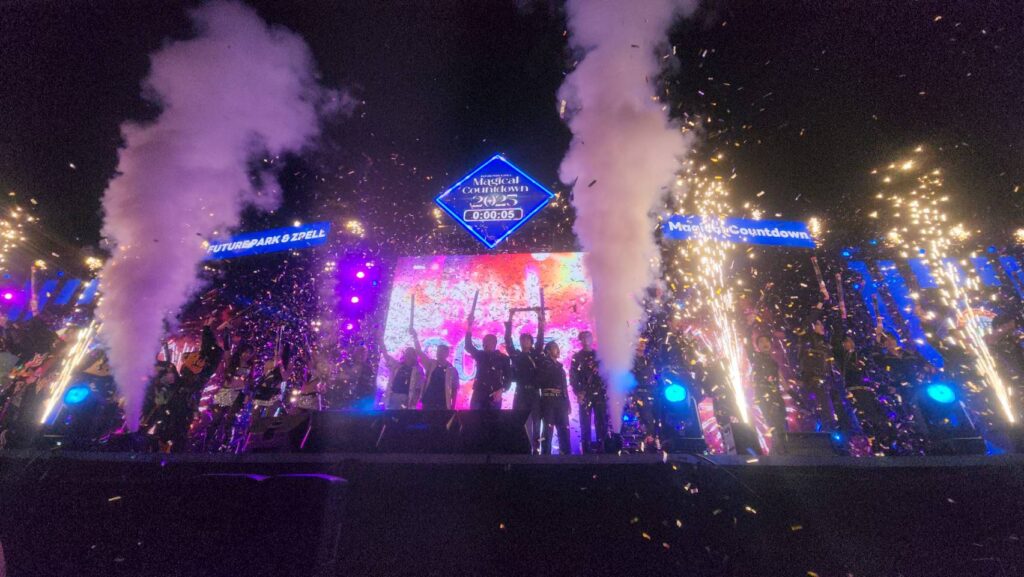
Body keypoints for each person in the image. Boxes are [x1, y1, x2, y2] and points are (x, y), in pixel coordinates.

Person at [504, 307, 545, 450]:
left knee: (536, 421)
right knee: (518, 418)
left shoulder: (536, 354)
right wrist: (510, 318)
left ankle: (536, 448)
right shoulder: (516, 355)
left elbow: (540, 339)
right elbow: (508, 341)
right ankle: (519, 447)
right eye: (522, 340)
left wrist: (540, 318)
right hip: (520, 391)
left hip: (534, 392)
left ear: (531, 342)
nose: (524, 342)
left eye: (527, 340)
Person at [464, 311, 511, 410]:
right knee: (474, 417)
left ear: (494, 343)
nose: (484, 344)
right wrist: (469, 325)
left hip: (494, 394)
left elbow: (508, 378)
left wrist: (501, 390)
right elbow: (468, 346)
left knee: (492, 419)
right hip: (479, 393)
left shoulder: (503, 358)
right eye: (484, 342)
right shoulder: (480, 355)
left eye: (487, 342)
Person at [571, 330, 607, 453]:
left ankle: (602, 448)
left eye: (588, 337)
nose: (586, 339)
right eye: (583, 337)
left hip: (599, 392)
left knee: (601, 420)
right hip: (585, 393)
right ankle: (586, 449)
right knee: (585, 422)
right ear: (580, 340)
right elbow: (573, 377)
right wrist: (578, 392)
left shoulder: (599, 356)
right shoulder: (577, 357)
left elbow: (605, 374)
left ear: (592, 339)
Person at [799, 306, 835, 430]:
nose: (822, 327)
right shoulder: (809, 339)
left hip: (827, 381)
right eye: (818, 324)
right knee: (821, 409)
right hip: (813, 379)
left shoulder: (825, 344)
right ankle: (823, 430)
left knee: (830, 411)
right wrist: (819, 306)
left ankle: (831, 430)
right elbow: (807, 324)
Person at [537, 340, 573, 455]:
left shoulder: (560, 368)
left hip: (561, 401)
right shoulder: (543, 364)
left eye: (558, 347)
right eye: (555, 347)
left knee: (564, 429)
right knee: (547, 430)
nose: (558, 350)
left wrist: (567, 402)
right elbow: (540, 381)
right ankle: (545, 456)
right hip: (548, 400)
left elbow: (564, 387)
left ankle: (565, 456)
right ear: (548, 351)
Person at [750, 335, 788, 441]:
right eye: (761, 342)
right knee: (773, 425)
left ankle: (784, 447)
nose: (765, 343)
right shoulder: (755, 358)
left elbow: (782, 380)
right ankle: (778, 447)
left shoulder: (773, 362)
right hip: (764, 395)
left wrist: (795, 397)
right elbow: (748, 348)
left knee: (782, 425)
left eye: (767, 341)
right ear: (757, 346)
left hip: (776, 396)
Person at [412, 329, 458, 410]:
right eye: (438, 351)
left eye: (441, 352)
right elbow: (419, 352)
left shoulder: (452, 370)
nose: (439, 353)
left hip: (443, 403)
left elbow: (454, 389)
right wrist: (415, 337)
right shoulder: (431, 364)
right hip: (428, 400)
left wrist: (453, 405)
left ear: (447, 354)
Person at [381, 344, 424, 410]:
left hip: (406, 398)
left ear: (414, 356)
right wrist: (381, 343)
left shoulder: (418, 369)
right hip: (393, 396)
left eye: (410, 353)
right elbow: (387, 357)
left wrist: (415, 400)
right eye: (407, 353)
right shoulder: (398, 366)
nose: (408, 355)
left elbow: (419, 386)